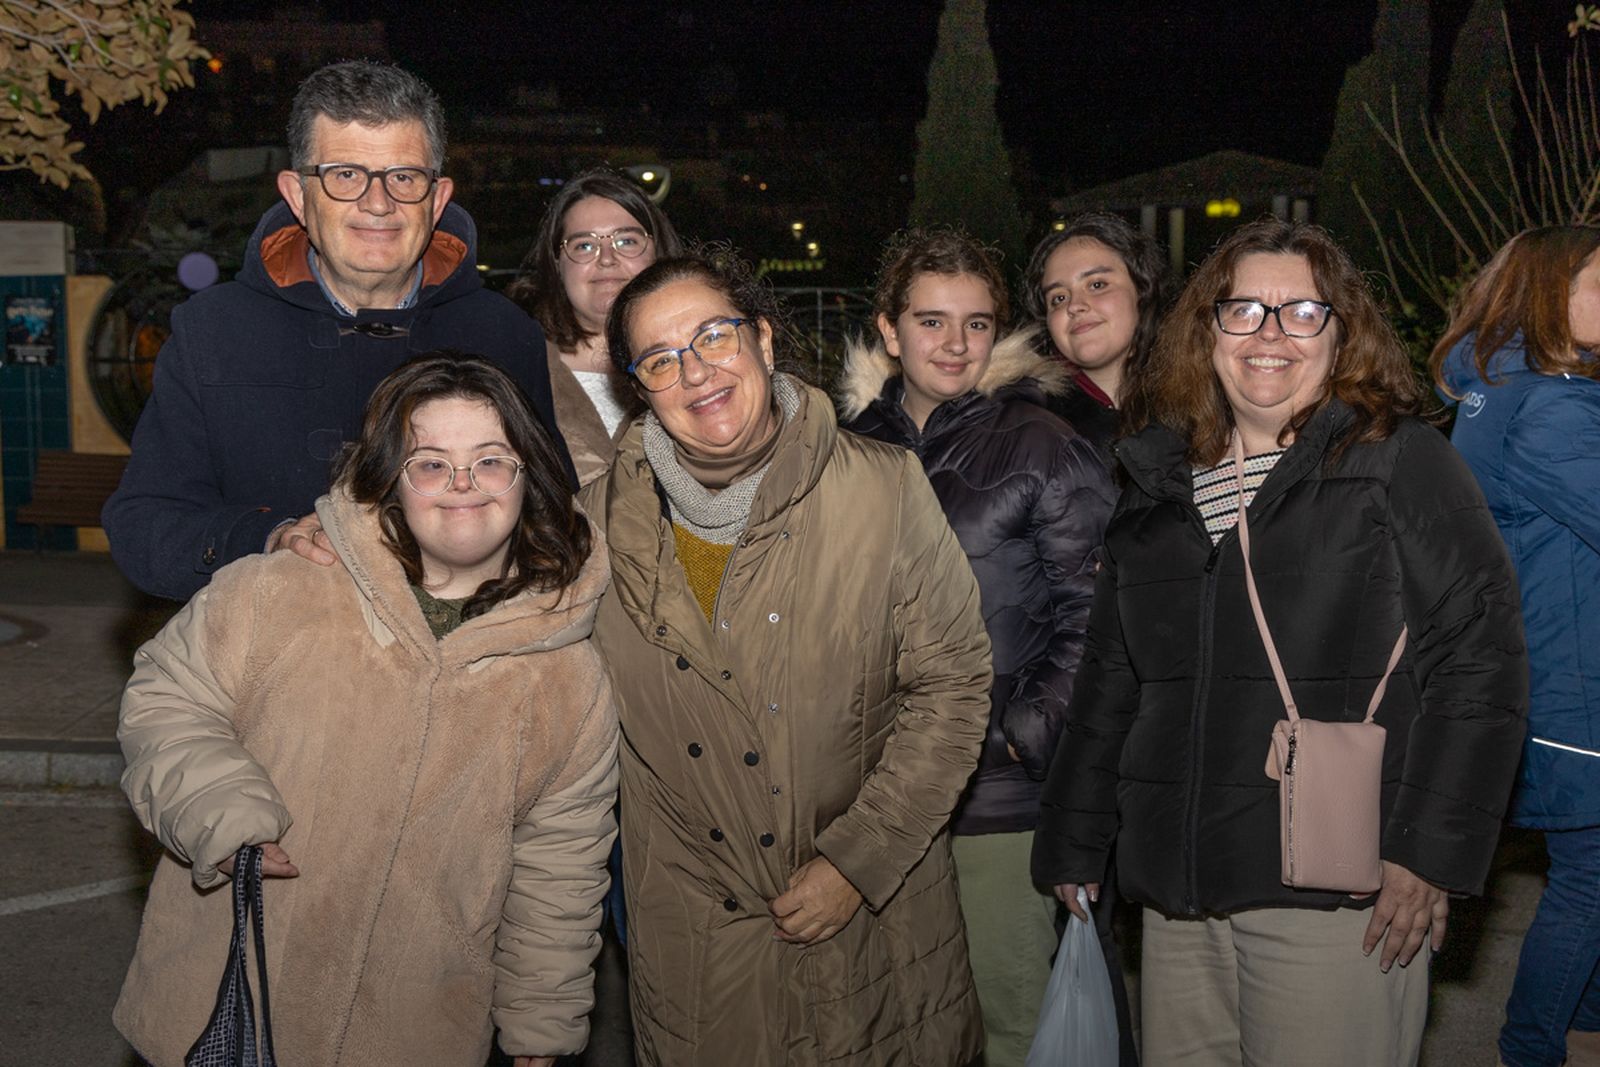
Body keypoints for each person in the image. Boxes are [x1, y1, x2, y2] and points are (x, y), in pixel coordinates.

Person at [1032, 217, 1528, 1066]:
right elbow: (1111, 682)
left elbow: (1482, 662)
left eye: (1301, 311)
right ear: (1206, 330)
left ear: (1342, 334)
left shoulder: (1400, 463)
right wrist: (1076, 839)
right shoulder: (1158, 486)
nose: (1269, 334)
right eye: (1244, 310)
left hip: (1336, 894)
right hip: (1178, 899)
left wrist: (1428, 854)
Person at [113, 354, 617, 1067]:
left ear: (529, 476)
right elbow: (167, 697)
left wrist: (541, 1018)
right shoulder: (278, 591)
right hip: (233, 1001)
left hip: (417, 1026)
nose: (463, 485)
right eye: (431, 464)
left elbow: (561, 864)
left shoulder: (570, 674)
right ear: (390, 482)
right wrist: (220, 812)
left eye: (491, 460)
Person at [582, 250, 993, 1066]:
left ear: (764, 339)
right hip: (702, 947)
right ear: (639, 388)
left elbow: (952, 687)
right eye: (661, 360)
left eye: (714, 335)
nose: (696, 370)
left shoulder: (881, 486)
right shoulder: (588, 527)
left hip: (876, 922)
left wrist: (857, 858)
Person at [103, 60, 570, 602]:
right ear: (298, 196)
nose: (378, 203)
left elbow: (554, 508)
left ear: (437, 198)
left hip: (467, 657)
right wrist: (266, 538)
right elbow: (145, 525)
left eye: (404, 177)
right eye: (345, 175)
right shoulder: (211, 333)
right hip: (269, 656)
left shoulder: (504, 333)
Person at [837, 229, 1127, 1067]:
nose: (955, 344)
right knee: (899, 1029)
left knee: (1012, 1026)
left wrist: (1018, 734)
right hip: (876, 797)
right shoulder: (851, 446)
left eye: (975, 323)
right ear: (890, 331)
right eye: (931, 322)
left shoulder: (1042, 443)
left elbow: (1098, 616)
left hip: (995, 802)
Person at [1433, 225, 1600, 1067]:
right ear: (1548, 292)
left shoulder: (1495, 390)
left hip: (1548, 659)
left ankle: (1584, 1023)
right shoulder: (1555, 409)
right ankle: (1532, 1047)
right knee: (1591, 875)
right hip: (1579, 675)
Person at [508, 167, 683, 486]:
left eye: (627, 241)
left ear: (659, 253)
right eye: (584, 245)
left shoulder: (699, 364)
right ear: (556, 264)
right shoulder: (512, 369)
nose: (606, 259)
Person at [1022, 212, 1172, 463]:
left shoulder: (1201, 407)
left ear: (1143, 291)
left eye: (1097, 285)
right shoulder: (1022, 426)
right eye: (1058, 298)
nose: (1075, 306)